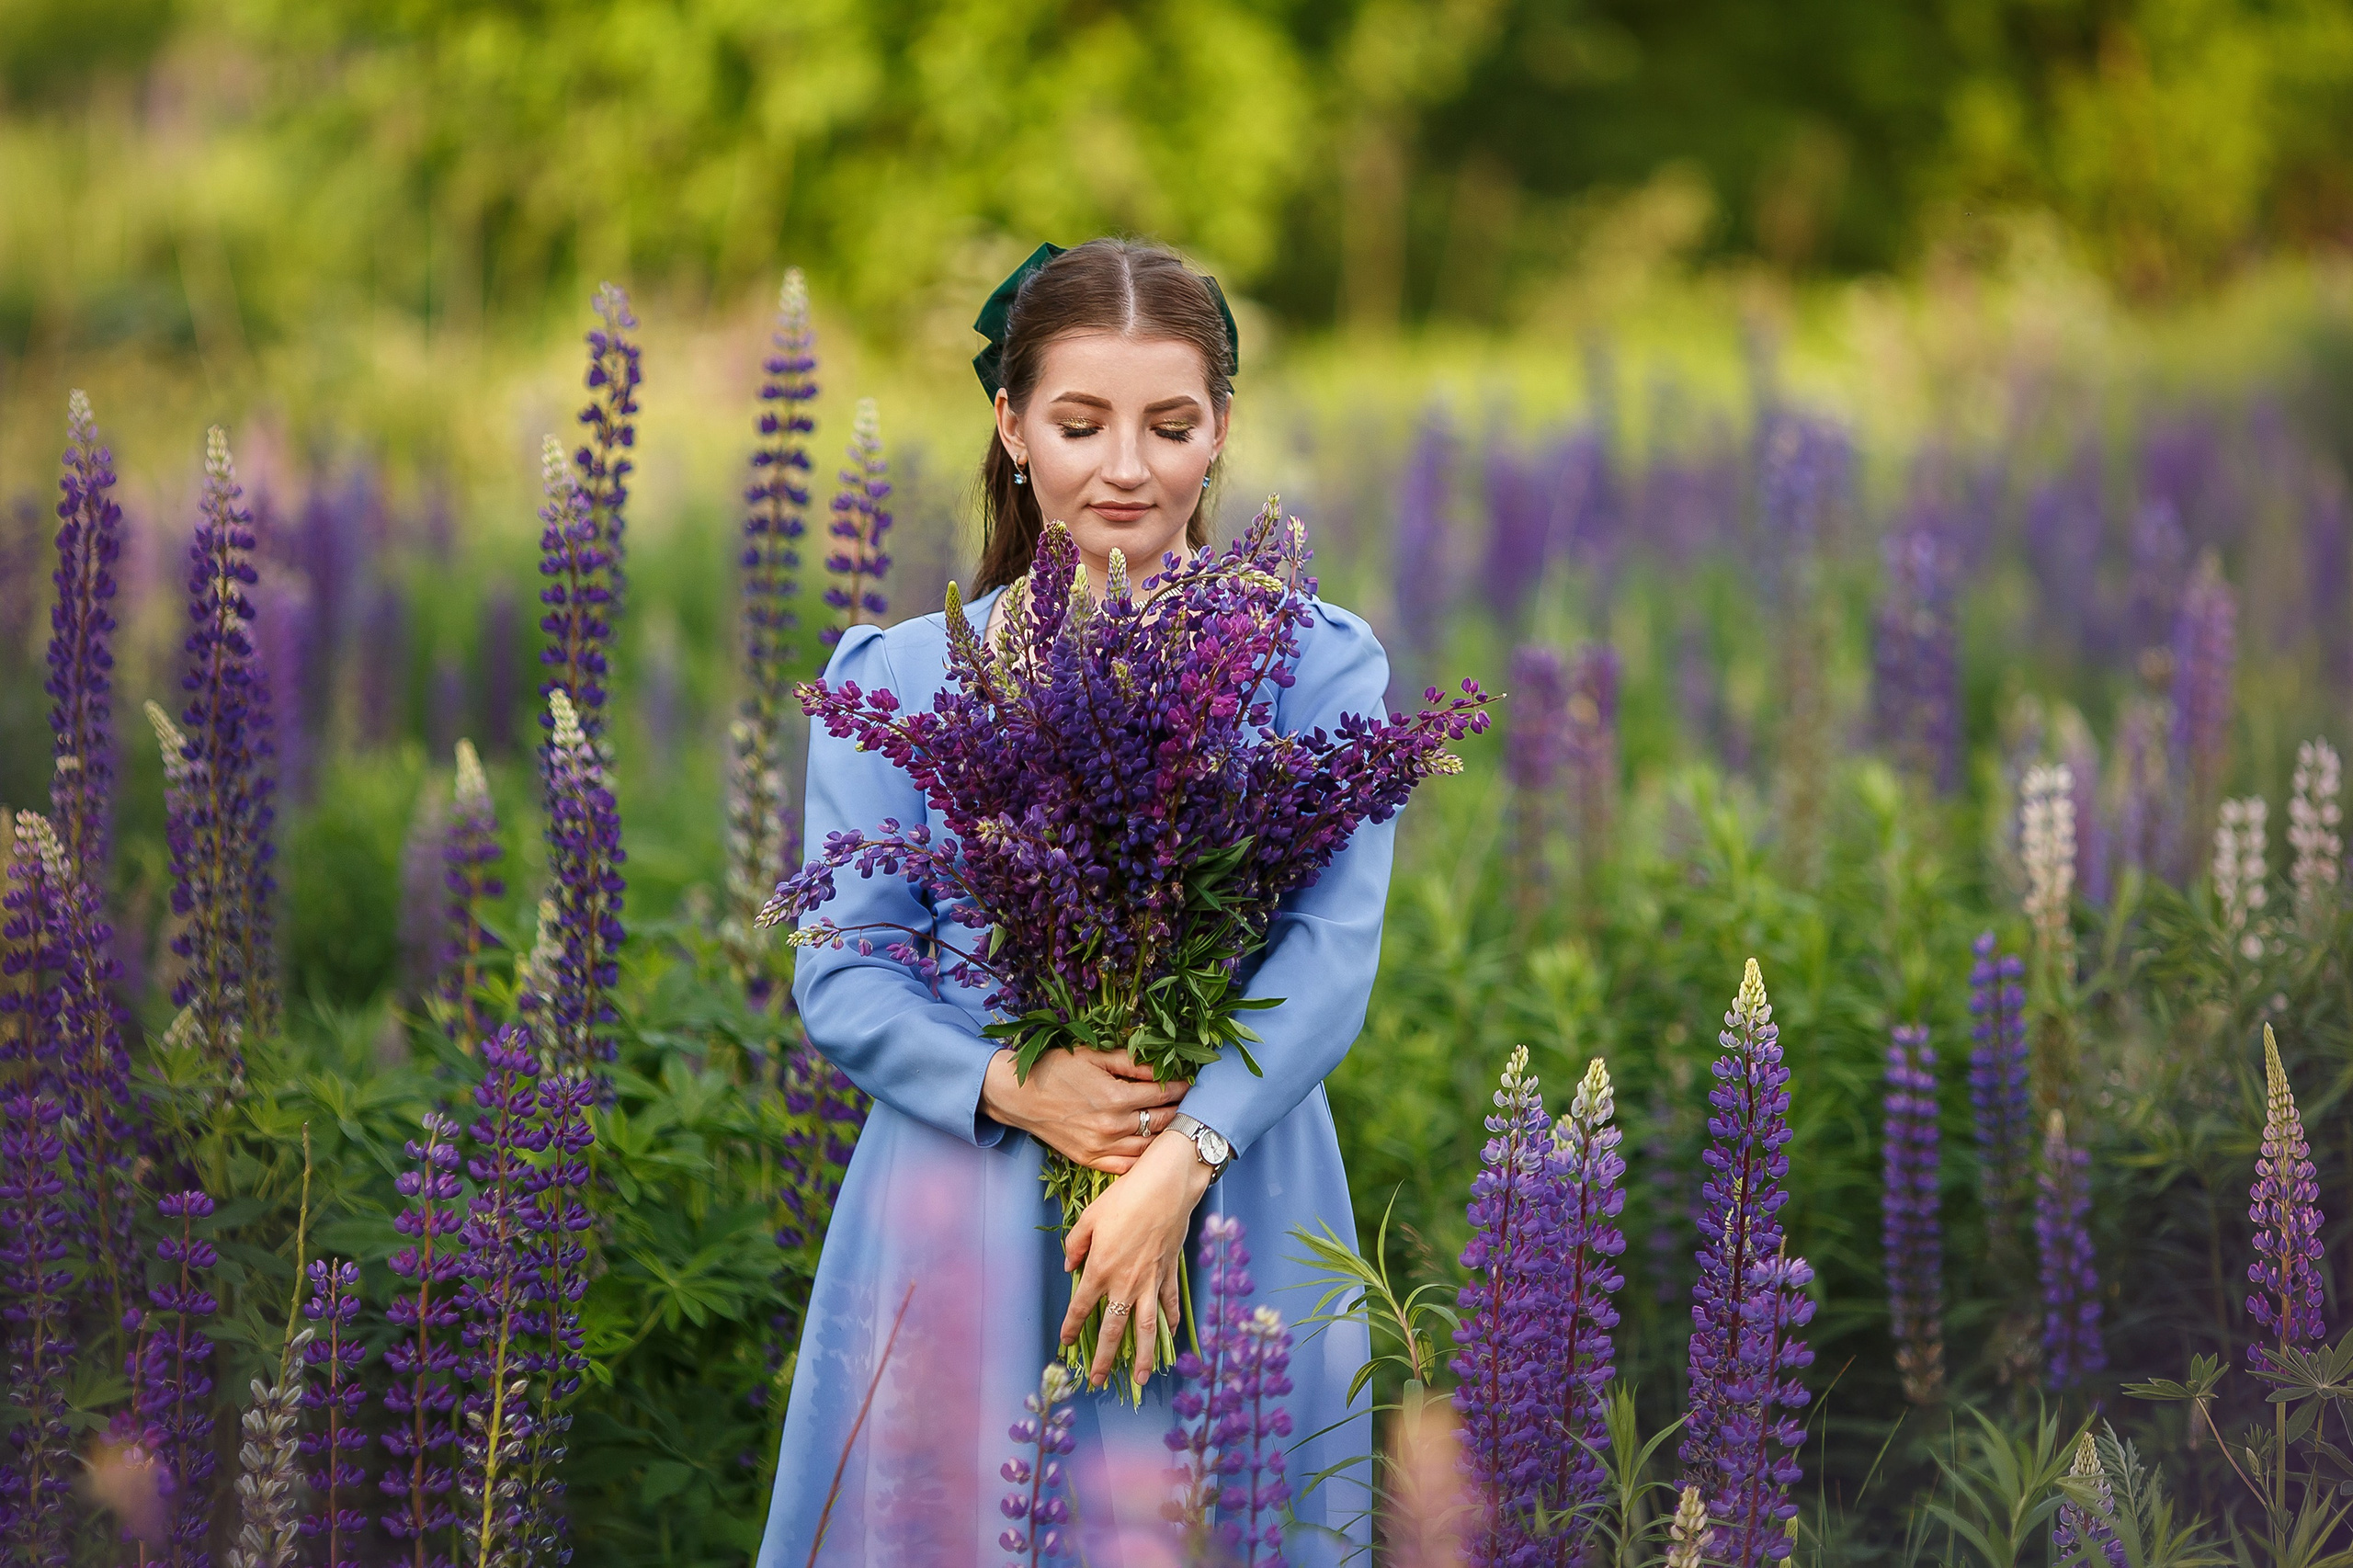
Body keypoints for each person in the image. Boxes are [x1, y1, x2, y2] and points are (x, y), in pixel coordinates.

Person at [756, 238, 1394, 1566]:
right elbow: (848, 969)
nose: (1127, 466)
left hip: (1239, 1183)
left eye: (1171, 424)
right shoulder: (904, 676)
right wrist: (1019, 1084)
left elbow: (1328, 956)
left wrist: (1181, 1161)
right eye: (1080, 421)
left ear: (1221, 431)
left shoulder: (1319, 664)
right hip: (964, 1192)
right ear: (1011, 425)